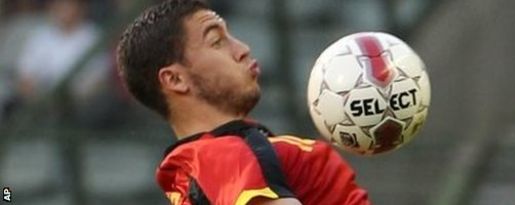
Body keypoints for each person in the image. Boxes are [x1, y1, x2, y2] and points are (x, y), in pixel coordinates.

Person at [116, 0, 371, 204]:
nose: (243, 48)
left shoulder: (223, 157)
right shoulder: (222, 156)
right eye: (217, 42)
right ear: (175, 79)